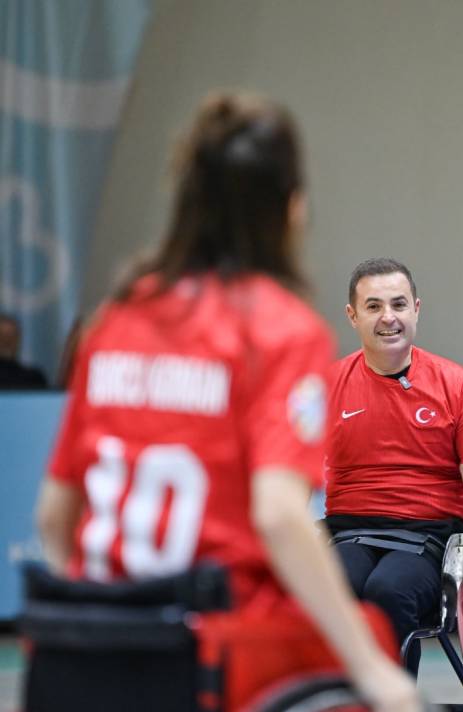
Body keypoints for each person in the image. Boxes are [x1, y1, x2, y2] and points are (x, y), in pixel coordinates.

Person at [33, 93, 419, 712]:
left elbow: (55, 517)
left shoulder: (114, 319)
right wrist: (374, 671)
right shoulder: (280, 329)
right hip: (210, 645)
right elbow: (279, 516)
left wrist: (103, 613)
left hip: (86, 645)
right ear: (291, 208)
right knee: (369, 640)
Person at [326, 257, 463, 672]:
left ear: (416, 309)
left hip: (426, 538)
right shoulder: (327, 385)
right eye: (373, 306)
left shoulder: (457, 385)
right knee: (330, 586)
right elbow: (292, 481)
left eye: (399, 305)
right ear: (352, 316)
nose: (388, 317)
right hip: (350, 532)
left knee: (389, 589)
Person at [0, 314, 48, 389]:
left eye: (11, 336)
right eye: (2, 336)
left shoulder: (34, 378)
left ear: (19, 340)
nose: (7, 341)